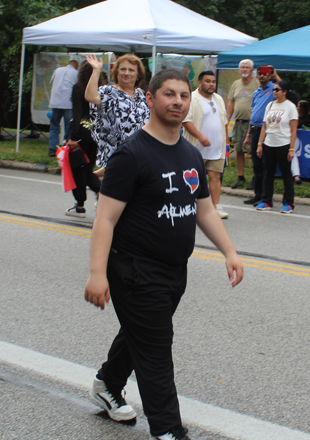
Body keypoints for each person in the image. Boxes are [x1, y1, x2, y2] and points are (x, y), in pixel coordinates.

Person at [84, 69, 243, 440]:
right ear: (151, 99)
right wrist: (97, 273)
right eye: (169, 94)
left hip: (174, 270)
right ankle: (168, 431)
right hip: (134, 269)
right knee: (157, 349)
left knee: (142, 332)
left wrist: (230, 251)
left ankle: (107, 383)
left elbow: (203, 209)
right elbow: (105, 218)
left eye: (183, 96)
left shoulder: (189, 153)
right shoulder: (131, 154)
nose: (177, 101)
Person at [85, 53, 150, 177]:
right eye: (123, 69)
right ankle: (96, 178)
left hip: (140, 153)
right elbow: (90, 96)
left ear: (138, 75)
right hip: (117, 151)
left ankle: (95, 177)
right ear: (117, 72)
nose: (126, 73)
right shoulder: (108, 91)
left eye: (131, 70)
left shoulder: (141, 95)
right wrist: (96, 70)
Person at [183, 70, 230, 219]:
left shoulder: (219, 99)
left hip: (217, 147)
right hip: (197, 147)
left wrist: (227, 142)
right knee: (193, 178)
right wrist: (200, 136)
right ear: (200, 83)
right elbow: (186, 121)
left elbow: (224, 122)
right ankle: (189, 204)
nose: (211, 84)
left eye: (213, 82)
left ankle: (216, 207)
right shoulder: (192, 98)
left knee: (215, 176)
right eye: (208, 81)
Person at [255, 81, 298, 214]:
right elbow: (264, 126)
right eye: (274, 89)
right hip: (269, 143)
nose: (274, 92)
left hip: (283, 144)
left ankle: (288, 203)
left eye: (277, 89)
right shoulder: (270, 105)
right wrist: (260, 144)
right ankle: (266, 200)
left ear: (284, 91)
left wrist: (291, 149)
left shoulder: (290, 107)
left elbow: (293, 130)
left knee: (286, 174)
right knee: (268, 173)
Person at [65, 61, 101, 218]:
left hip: (82, 132)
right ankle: (101, 193)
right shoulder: (102, 89)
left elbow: (77, 113)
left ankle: (80, 206)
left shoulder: (79, 87)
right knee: (88, 168)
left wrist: (73, 137)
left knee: (77, 170)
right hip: (97, 133)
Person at [242, 65, 281, 205]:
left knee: (266, 165)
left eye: (265, 74)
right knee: (257, 165)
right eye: (260, 73)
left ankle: (265, 197)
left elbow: (284, 90)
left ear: (269, 76)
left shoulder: (273, 89)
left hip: (266, 130)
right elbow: (254, 114)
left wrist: (276, 76)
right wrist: (248, 134)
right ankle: (257, 195)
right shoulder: (257, 91)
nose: (262, 76)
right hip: (254, 130)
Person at [226, 59, 259, 189]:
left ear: (252, 70)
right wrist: (227, 119)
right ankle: (240, 176)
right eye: (242, 67)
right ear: (239, 70)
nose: (244, 69)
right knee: (239, 149)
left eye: (247, 67)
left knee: (253, 151)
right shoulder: (236, 84)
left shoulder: (256, 83)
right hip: (238, 122)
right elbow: (231, 102)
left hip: (252, 123)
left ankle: (255, 178)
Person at [48, 59, 78, 157]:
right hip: (68, 103)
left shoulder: (57, 70)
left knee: (54, 126)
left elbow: (52, 83)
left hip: (55, 102)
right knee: (68, 128)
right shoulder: (75, 73)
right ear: (76, 66)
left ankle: (52, 149)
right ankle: (66, 148)